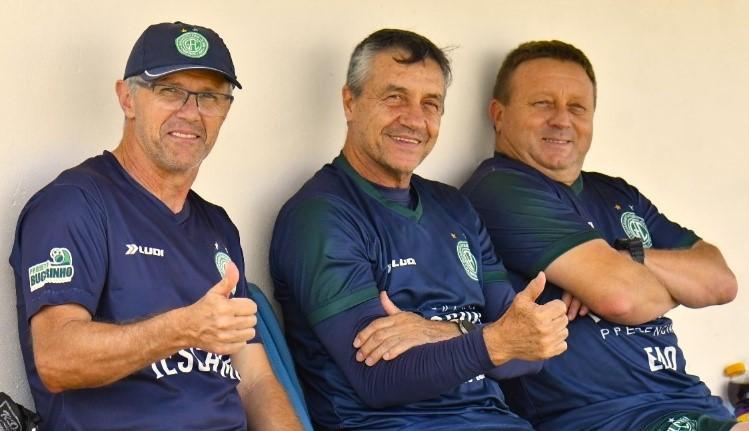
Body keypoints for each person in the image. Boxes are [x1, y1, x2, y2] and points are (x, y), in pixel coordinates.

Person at [269, 28, 570, 430]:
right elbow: (379, 378)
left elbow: (530, 352)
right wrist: (495, 341)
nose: (414, 120)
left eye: (430, 104)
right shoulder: (321, 216)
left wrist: (443, 331)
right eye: (395, 97)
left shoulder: (455, 207)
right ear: (350, 102)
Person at [10, 21, 301, 430]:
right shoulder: (74, 204)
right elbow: (57, 359)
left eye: (209, 96)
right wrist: (183, 328)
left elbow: (254, 381)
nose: (191, 112)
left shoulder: (217, 226)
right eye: (170, 91)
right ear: (127, 98)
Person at [461, 40, 745, 431]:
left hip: (688, 399)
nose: (562, 120)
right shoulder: (500, 188)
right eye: (543, 103)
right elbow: (621, 297)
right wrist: (672, 285)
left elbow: (720, 283)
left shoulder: (615, 193)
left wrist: (629, 258)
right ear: (498, 114)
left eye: (577, 107)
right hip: (605, 417)